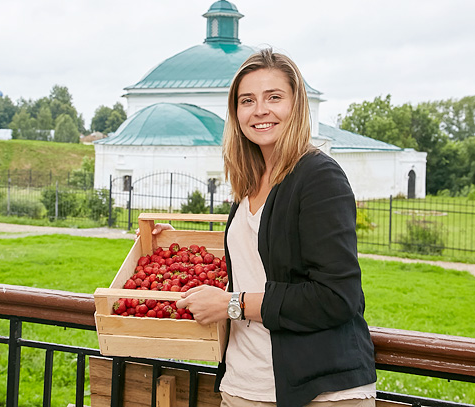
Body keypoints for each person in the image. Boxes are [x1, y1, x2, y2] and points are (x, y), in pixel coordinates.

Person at [143, 48, 377, 406]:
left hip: (318, 391)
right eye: (247, 100)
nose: (260, 110)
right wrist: (169, 245)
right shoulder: (251, 179)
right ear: (236, 113)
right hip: (244, 385)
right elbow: (262, 257)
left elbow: (336, 298)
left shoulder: (319, 177)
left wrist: (232, 304)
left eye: (274, 97)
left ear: (296, 105)